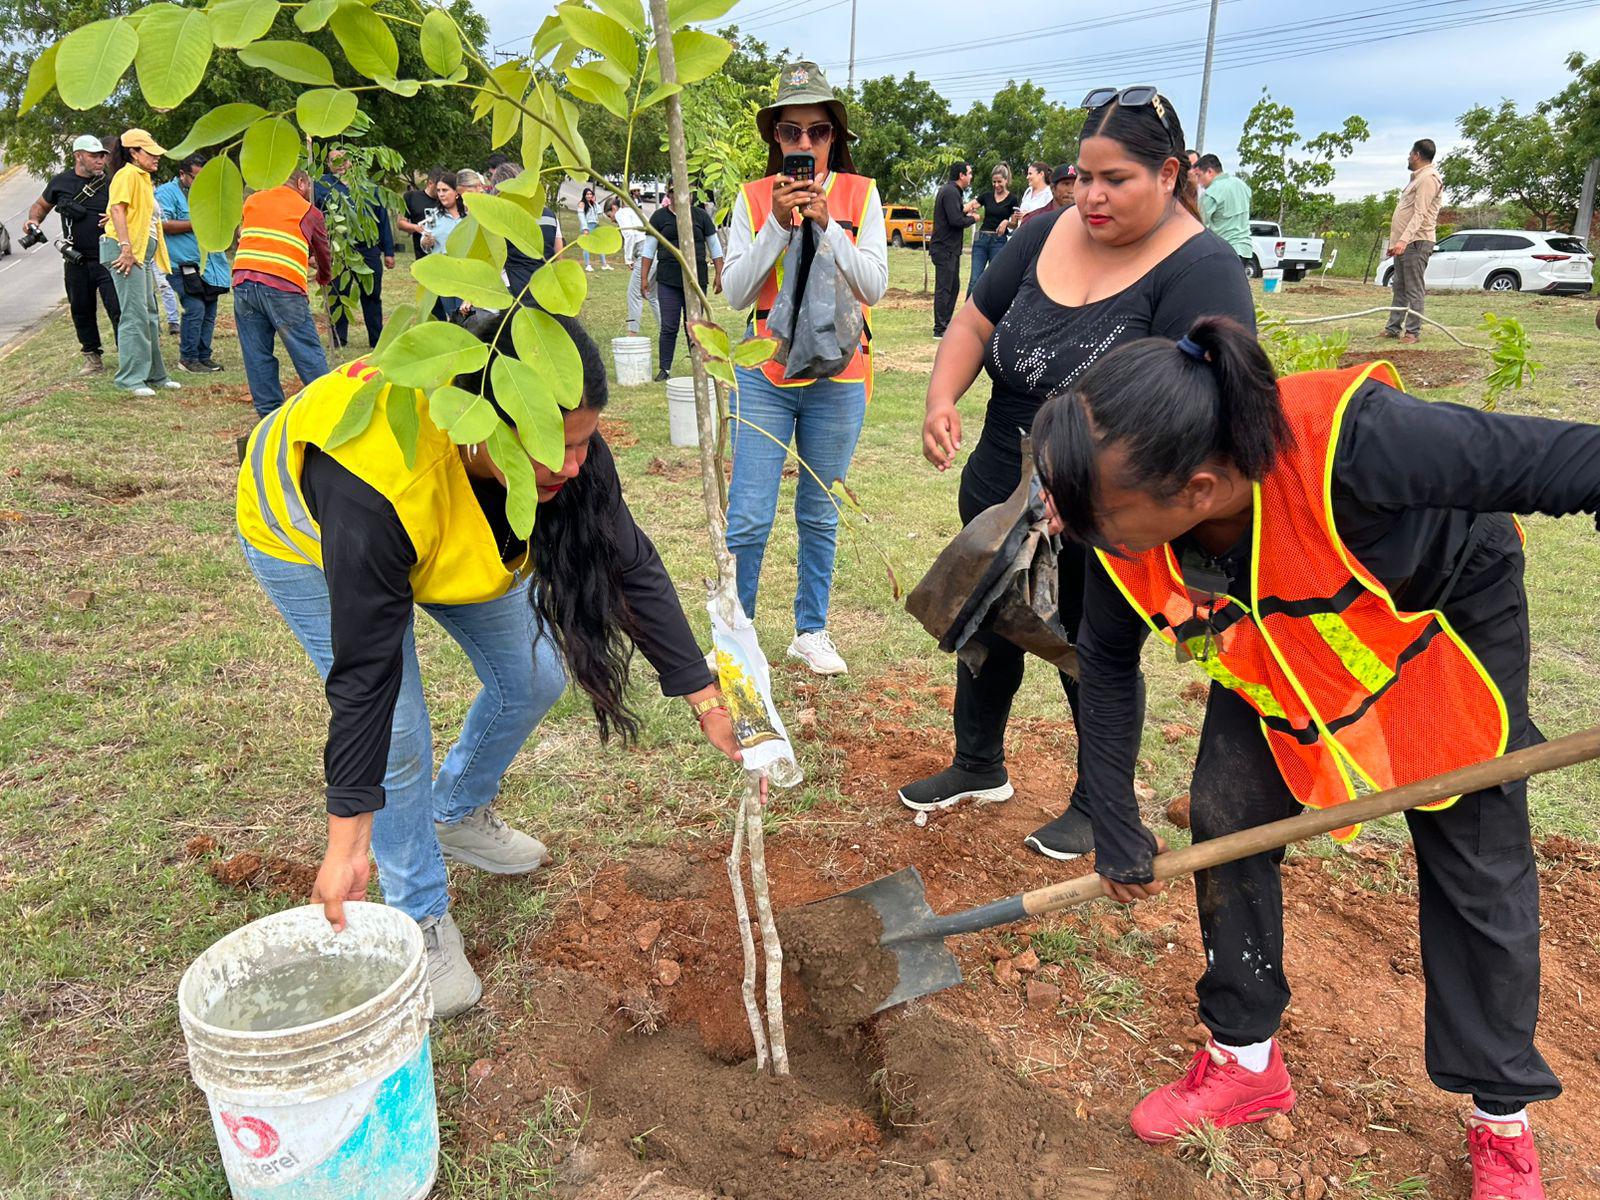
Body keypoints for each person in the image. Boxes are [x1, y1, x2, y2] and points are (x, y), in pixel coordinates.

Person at [1030, 315, 1588, 1200]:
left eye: (1094, 515)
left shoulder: (1359, 443)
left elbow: (1572, 463)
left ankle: (1500, 1118)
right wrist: (1113, 810)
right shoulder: (1122, 517)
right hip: (1282, 635)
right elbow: (1103, 658)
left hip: (1439, 629)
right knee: (1228, 812)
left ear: (1200, 487)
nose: (1075, 528)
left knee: (1473, 853)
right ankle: (1245, 1057)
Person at [235, 310, 741, 1017]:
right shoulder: (380, 487)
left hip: (444, 529)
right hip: (308, 533)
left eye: (584, 443)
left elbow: (630, 563)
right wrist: (349, 841)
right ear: (487, 429)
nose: (574, 464)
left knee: (534, 674)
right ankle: (419, 914)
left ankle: (457, 811)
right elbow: (366, 681)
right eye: (556, 448)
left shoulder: (568, 451)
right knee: (402, 730)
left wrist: (705, 697)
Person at [899, 87, 1255, 861]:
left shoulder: (1202, 269)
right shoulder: (1047, 231)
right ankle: (977, 763)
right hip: (1000, 476)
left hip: (1110, 507)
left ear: (1169, 175)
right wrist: (939, 399)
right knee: (988, 616)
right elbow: (973, 318)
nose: (1091, 196)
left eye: (1115, 179)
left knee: (1092, 647)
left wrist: (1078, 490)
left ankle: (1098, 803)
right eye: (1082, 175)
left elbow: (1197, 416)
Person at [720, 59, 888, 677]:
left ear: (833, 138)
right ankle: (740, 633)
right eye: (791, 133)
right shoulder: (752, 199)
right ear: (776, 139)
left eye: (818, 132)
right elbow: (736, 293)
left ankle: (810, 630)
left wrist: (827, 226)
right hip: (766, 374)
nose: (805, 145)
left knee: (819, 510)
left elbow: (875, 283)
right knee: (749, 516)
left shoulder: (860, 196)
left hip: (840, 376)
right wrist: (776, 226)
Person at [232, 169, 333, 418]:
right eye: (308, 186)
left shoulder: (253, 200)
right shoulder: (309, 211)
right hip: (283, 286)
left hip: (243, 281)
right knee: (306, 350)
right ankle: (328, 407)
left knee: (256, 353)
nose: (309, 192)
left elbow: (255, 234)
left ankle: (269, 415)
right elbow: (323, 253)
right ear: (301, 182)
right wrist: (323, 276)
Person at [25, 134, 119, 376]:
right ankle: (92, 359)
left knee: (117, 307)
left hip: (108, 257)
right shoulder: (61, 182)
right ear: (78, 156)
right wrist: (33, 221)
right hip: (75, 258)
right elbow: (40, 206)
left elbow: (128, 210)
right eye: (94, 156)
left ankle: (129, 355)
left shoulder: (111, 183)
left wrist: (116, 218)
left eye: (102, 156)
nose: (100, 160)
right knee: (81, 309)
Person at [101, 129, 178, 397]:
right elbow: (117, 208)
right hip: (128, 253)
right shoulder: (127, 174)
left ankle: (156, 374)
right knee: (134, 315)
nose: (157, 156)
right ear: (133, 152)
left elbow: (130, 212)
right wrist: (124, 247)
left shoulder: (143, 178)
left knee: (149, 313)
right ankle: (130, 379)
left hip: (141, 254)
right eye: (150, 152)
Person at [155, 153, 231, 373]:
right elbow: (164, 224)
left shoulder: (206, 193)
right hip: (182, 264)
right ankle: (188, 358)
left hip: (209, 263)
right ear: (182, 174)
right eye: (196, 178)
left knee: (209, 308)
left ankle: (203, 356)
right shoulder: (167, 193)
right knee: (195, 307)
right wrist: (198, 223)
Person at [315, 149, 397, 350]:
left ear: (352, 162)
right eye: (335, 160)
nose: (341, 164)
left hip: (367, 249)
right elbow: (315, 219)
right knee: (338, 294)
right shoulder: (321, 186)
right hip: (338, 249)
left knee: (371, 295)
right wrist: (315, 252)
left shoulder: (368, 186)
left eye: (344, 160)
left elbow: (382, 219)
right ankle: (338, 339)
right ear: (328, 163)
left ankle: (376, 340)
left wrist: (389, 251)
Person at [639, 191, 723, 381]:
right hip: (668, 280)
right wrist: (643, 278)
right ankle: (665, 369)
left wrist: (719, 273)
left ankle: (700, 367)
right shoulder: (659, 217)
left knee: (694, 326)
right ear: (670, 193)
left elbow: (715, 247)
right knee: (669, 326)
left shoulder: (701, 216)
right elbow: (649, 250)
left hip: (696, 280)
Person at [1385, 138, 1443, 343]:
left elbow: (1419, 214)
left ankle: (1412, 332)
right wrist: (1395, 243)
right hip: (1404, 243)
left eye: (1410, 153)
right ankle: (1392, 328)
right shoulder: (1417, 178)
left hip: (1417, 242)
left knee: (1414, 288)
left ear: (1417, 155)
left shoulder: (1428, 179)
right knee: (1399, 286)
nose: (1408, 157)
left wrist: (1404, 241)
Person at [929, 162, 978, 337]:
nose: (971, 176)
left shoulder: (953, 192)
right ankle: (940, 329)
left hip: (950, 249)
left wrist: (966, 210)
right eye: (969, 173)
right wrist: (973, 218)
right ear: (961, 175)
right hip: (944, 248)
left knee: (953, 287)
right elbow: (955, 221)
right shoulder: (950, 192)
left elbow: (955, 214)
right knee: (945, 288)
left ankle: (945, 325)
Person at [420, 173, 468, 320]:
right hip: (444, 274)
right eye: (439, 191)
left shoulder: (468, 215)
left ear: (456, 192)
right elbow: (425, 244)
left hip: (466, 272)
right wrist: (426, 242)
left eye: (445, 190)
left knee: (466, 315)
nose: (441, 194)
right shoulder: (433, 216)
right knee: (452, 314)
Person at [968, 163, 1020, 296]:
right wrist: (969, 211)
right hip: (981, 240)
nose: (996, 185)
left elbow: (1014, 224)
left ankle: (988, 313)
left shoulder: (1013, 200)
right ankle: (968, 314)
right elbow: (972, 206)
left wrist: (1006, 222)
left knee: (994, 280)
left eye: (999, 182)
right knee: (975, 280)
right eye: (994, 182)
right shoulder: (986, 196)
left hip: (998, 242)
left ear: (1006, 181)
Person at [1193, 153, 1252, 268]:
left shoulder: (1211, 193)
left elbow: (1199, 226)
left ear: (1209, 172)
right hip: (1245, 249)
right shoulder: (1241, 185)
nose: (1199, 182)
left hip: (1223, 251)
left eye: (1199, 176)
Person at [617, 190, 659, 335]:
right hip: (655, 251)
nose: (613, 220)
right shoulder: (634, 212)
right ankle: (665, 329)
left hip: (644, 253)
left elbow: (629, 234)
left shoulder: (620, 213)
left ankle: (632, 333)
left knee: (633, 294)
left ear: (613, 209)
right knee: (653, 296)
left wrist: (628, 258)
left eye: (610, 217)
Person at [399, 168, 443, 259]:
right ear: (430, 183)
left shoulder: (446, 200)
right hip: (422, 255)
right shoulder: (411, 197)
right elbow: (400, 223)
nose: (441, 192)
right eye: (438, 188)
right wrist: (416, 227)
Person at [579, 187, 612, 272]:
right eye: (588, 194)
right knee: (587, 246)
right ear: (584, 195)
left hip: (595, 225)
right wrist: (585, 228)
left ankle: (604, 264)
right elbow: (581, 217)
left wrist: (595, 202)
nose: (589, 196)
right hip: (588, 226)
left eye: (591, 194)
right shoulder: (582, 204)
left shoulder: (593, 204)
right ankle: (587, 265)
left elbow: (600, 213)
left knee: (600, 244)